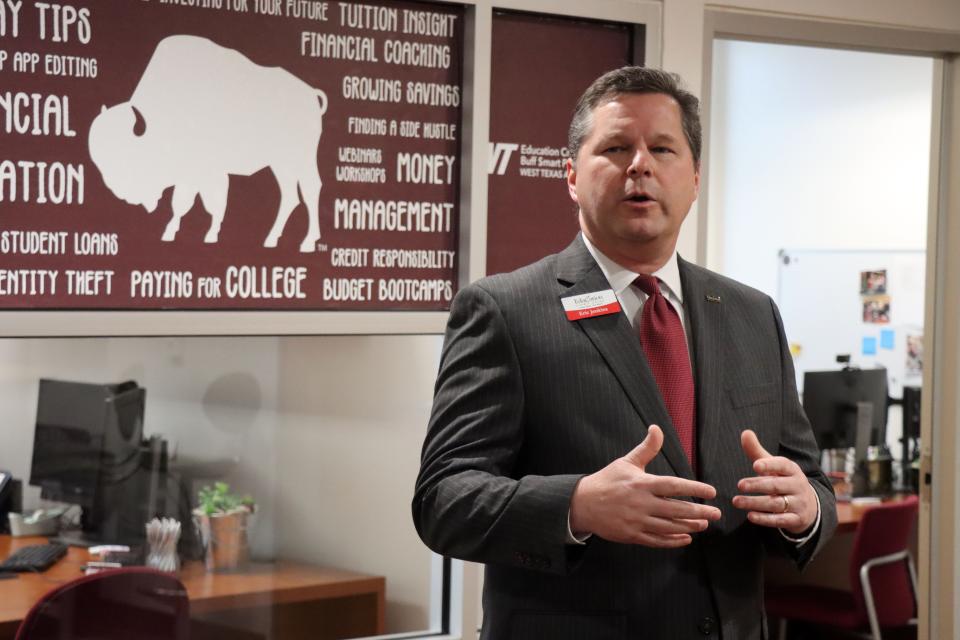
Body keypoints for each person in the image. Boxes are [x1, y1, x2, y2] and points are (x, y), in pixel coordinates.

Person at [413, 66, 836, 640]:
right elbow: (444, 499)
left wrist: (805, 508)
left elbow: (810, 481)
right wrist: (578, 504)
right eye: (615, 147)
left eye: (662, 148)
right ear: (570, 175)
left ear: (693, 178)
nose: (640, 164)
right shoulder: (503, 310)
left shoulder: (751, 313)